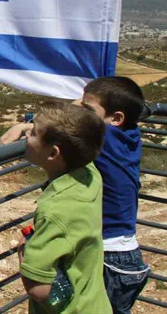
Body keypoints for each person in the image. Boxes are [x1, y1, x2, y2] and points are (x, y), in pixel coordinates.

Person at [1, 76, 149, 313]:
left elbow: (68, 127)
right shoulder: (128, 134)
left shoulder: (104, 137)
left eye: (87, 108)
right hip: (126, 252)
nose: (79, 109)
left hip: (111, 256)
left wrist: (27, 124)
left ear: (116, 118)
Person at [19, 103, 111, 313]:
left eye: (32, 134)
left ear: (53, 153)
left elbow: (39, 290)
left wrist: (23, 255)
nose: (27, 138)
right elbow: (81, 128)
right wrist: (24, 126)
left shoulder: (54, 211)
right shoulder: (90, 174)